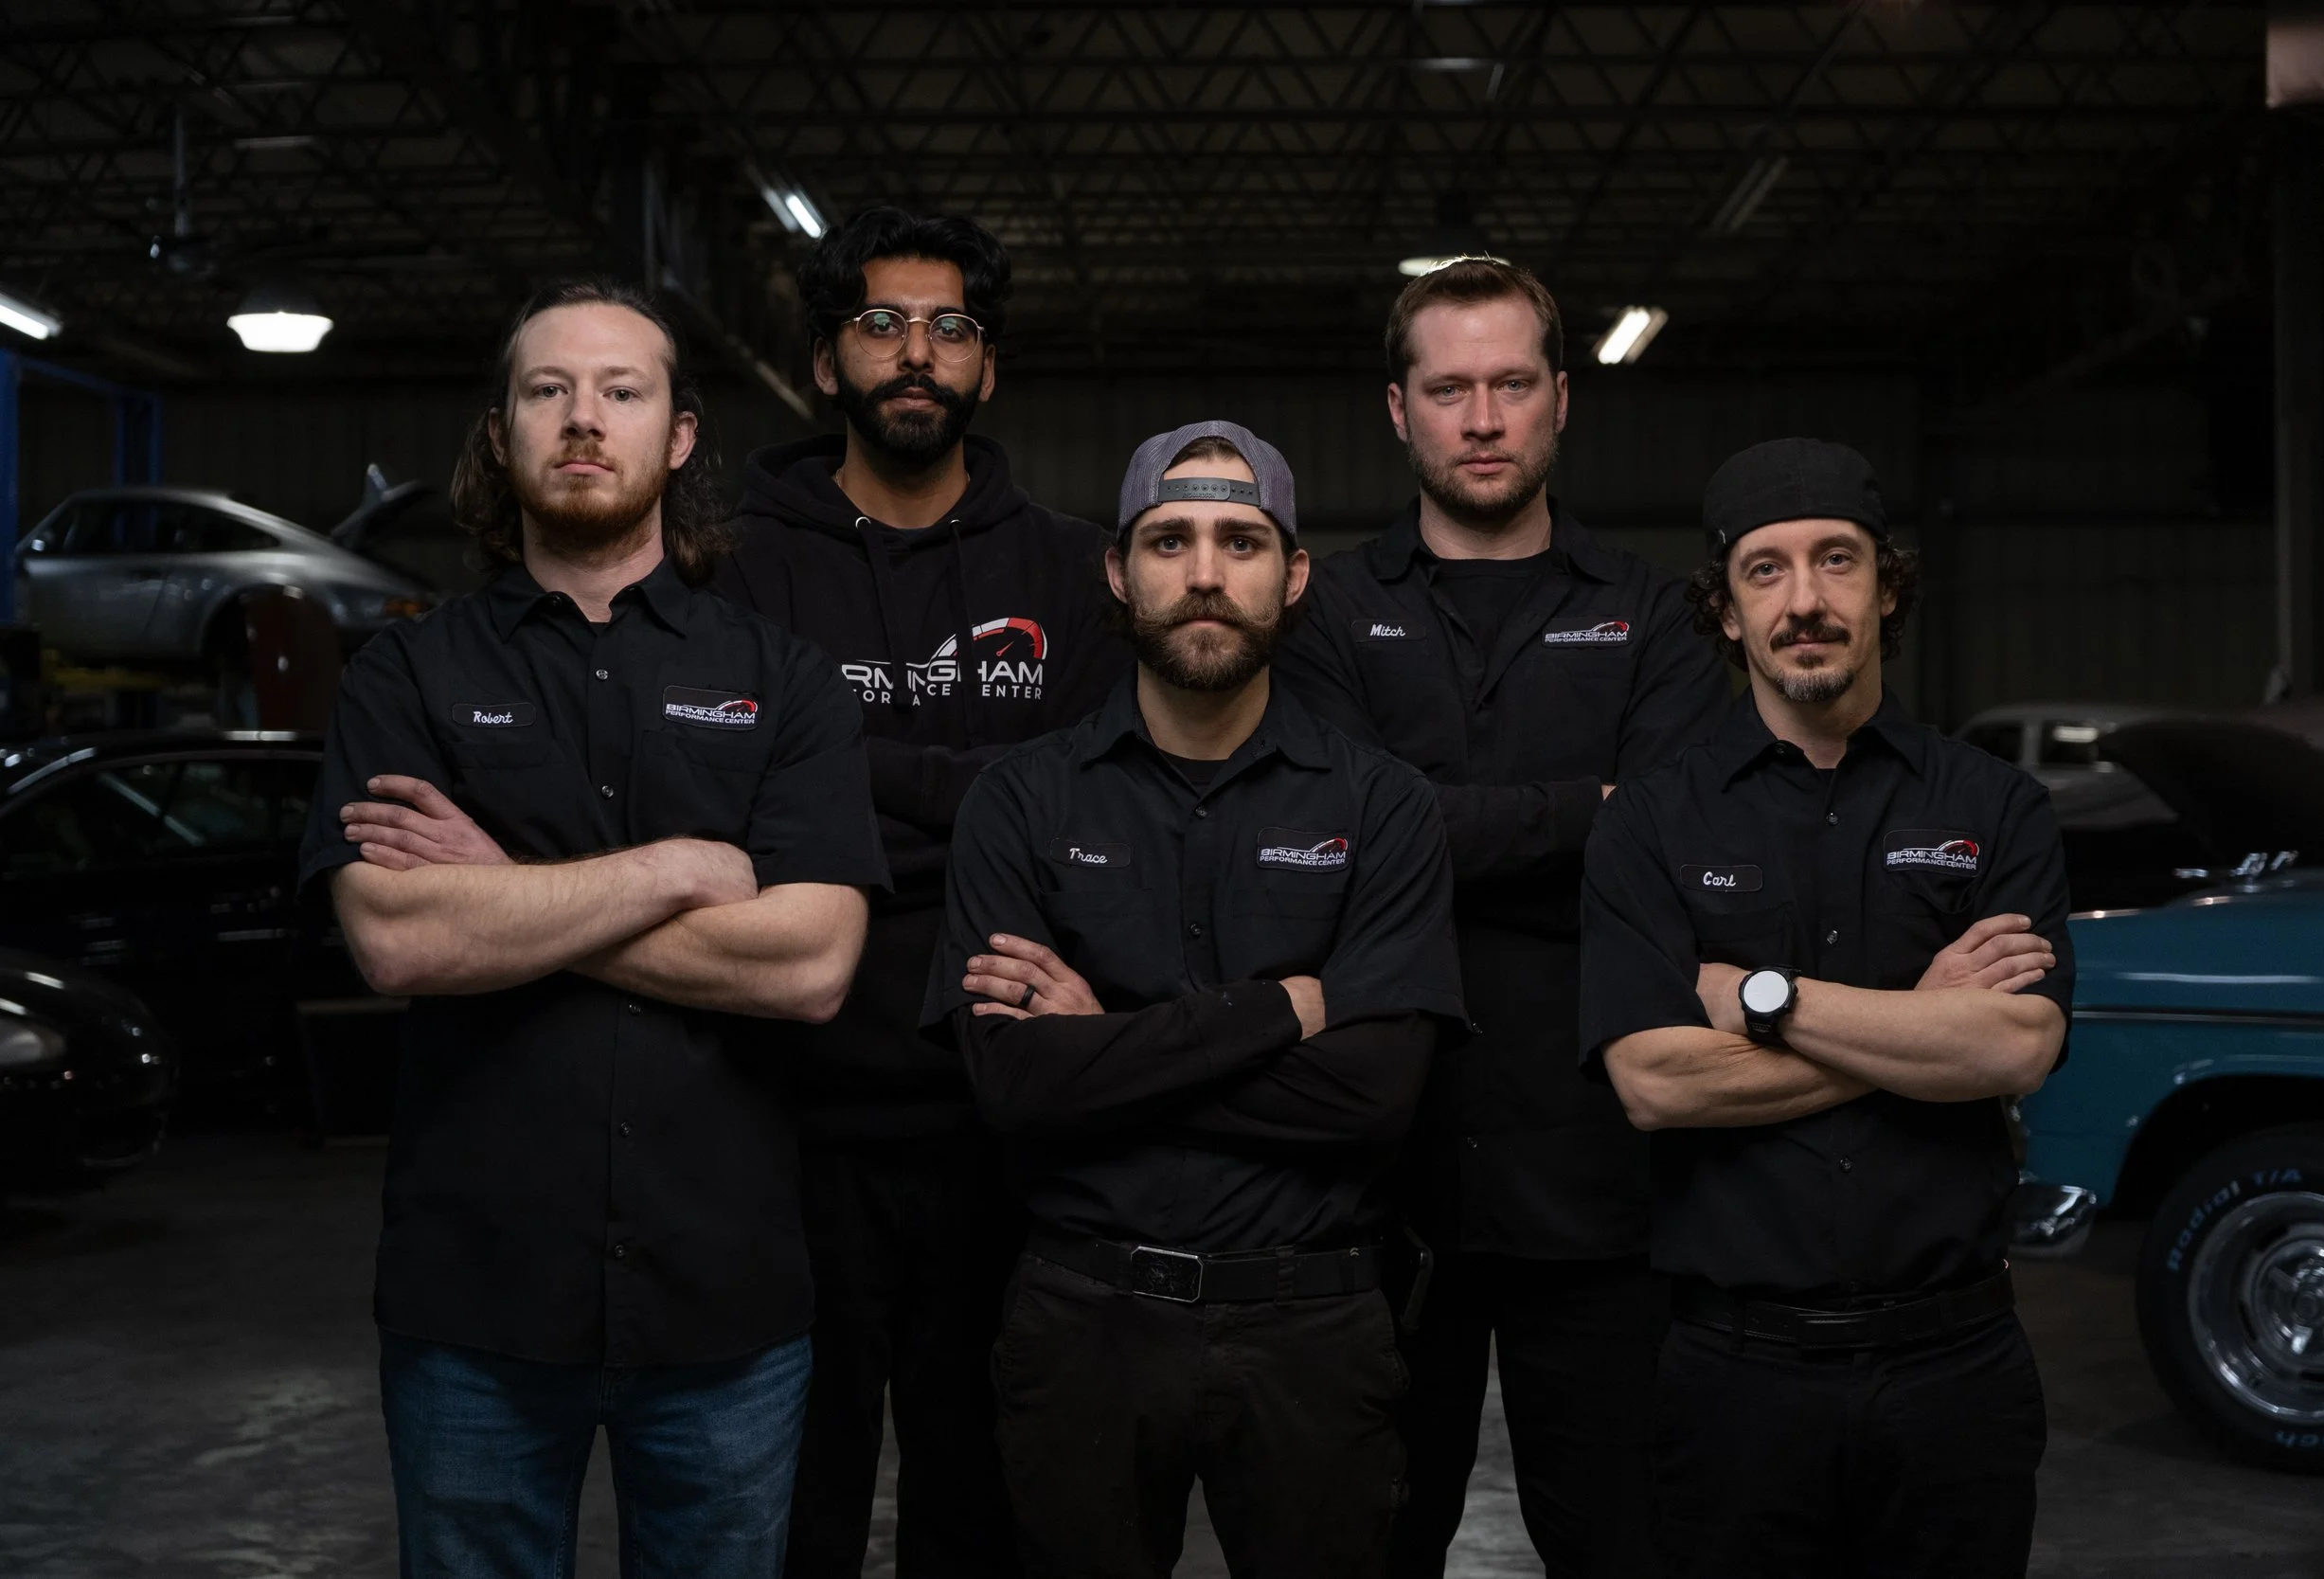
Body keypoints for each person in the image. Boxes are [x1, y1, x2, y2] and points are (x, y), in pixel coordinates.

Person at [297, 280, 888, 1579]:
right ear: (500, 432)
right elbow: (399, 941)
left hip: (725, 1305)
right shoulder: (408, 672)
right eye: (548, 390)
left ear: (677, 437)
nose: (583, 417)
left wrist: (503, 887)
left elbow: (810, 963)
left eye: (622, 390)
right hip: (475, 1304)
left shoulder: (784, 679)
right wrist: (682, 867)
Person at [921, 422, 1466, 1578]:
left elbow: (1374, 1096)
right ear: (1119, 572)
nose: (1205, 572)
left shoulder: (1383, 806)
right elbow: (1013, 1083)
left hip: (1316, 1330)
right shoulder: (1019, 801)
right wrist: (1277, 1013)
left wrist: (1107, 1044)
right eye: (1169, 540)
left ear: (1293, 574)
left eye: (1241, 540)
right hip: (1084, 1323)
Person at [1274, 256, 1728, 1575]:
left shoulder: (1652, 615)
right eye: (1449, 388)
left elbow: (1665, 848)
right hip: (1374, 1189)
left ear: (1560, 400)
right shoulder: (1325, 613)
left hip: (1597, 1187)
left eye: (1512, 384)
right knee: (1366, 1543)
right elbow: (1329, 847)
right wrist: (1580, 809)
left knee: (1618, 1543)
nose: (1482, 419)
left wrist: (1423, 821)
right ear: (1398, 409)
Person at [708, 206, 1131, 1578]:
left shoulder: (1071, 570)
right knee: (793, 1514)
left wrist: (832, 784)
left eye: (951, 326)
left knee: (985, 1512)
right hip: (784, 1124)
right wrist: (986, 801)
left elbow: (1087, 811)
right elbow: (720, 809)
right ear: (824, 360)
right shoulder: (736, 568)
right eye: (880, 322)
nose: (915, 352)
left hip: (1004, 1123)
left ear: (986, 365)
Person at [1579, 437, 2073, 1579]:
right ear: (1725, 608)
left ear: (1886, 586)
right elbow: (1653, 1081)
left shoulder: (1994, 804)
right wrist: (1920, 1023)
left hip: (1956, 1370)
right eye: (1765, 569)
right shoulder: (1650, 820)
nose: (1804, 599)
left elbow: (2014, 1044)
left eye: (1836, 560)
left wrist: (1762, 998)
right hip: (1735, 1379)